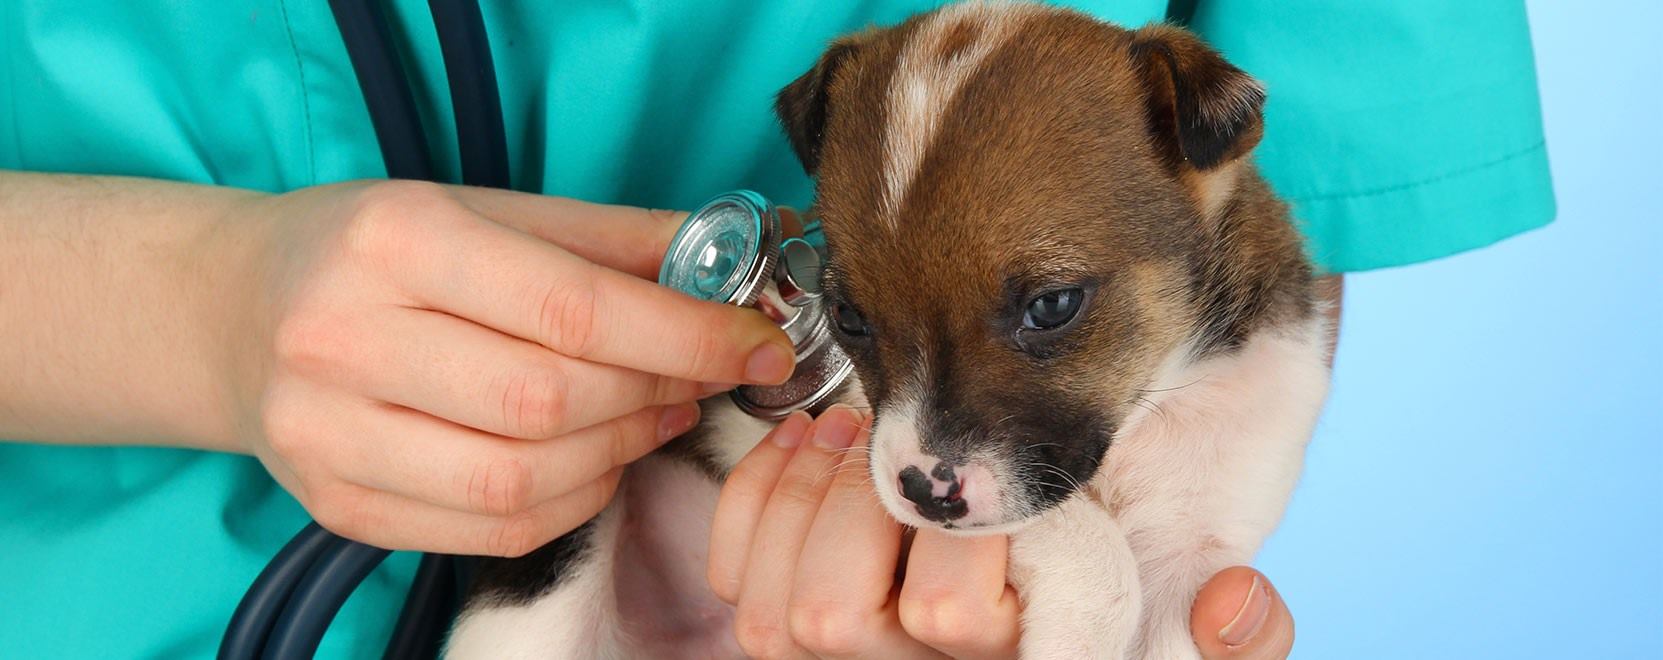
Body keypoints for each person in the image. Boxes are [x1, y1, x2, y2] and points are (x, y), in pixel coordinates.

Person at [0, 1, 1552, 658]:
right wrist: (182, 308)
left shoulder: (1187, 149)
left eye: (1050, 308)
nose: (925, 449)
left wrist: (1157, 551)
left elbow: (1296, 187)